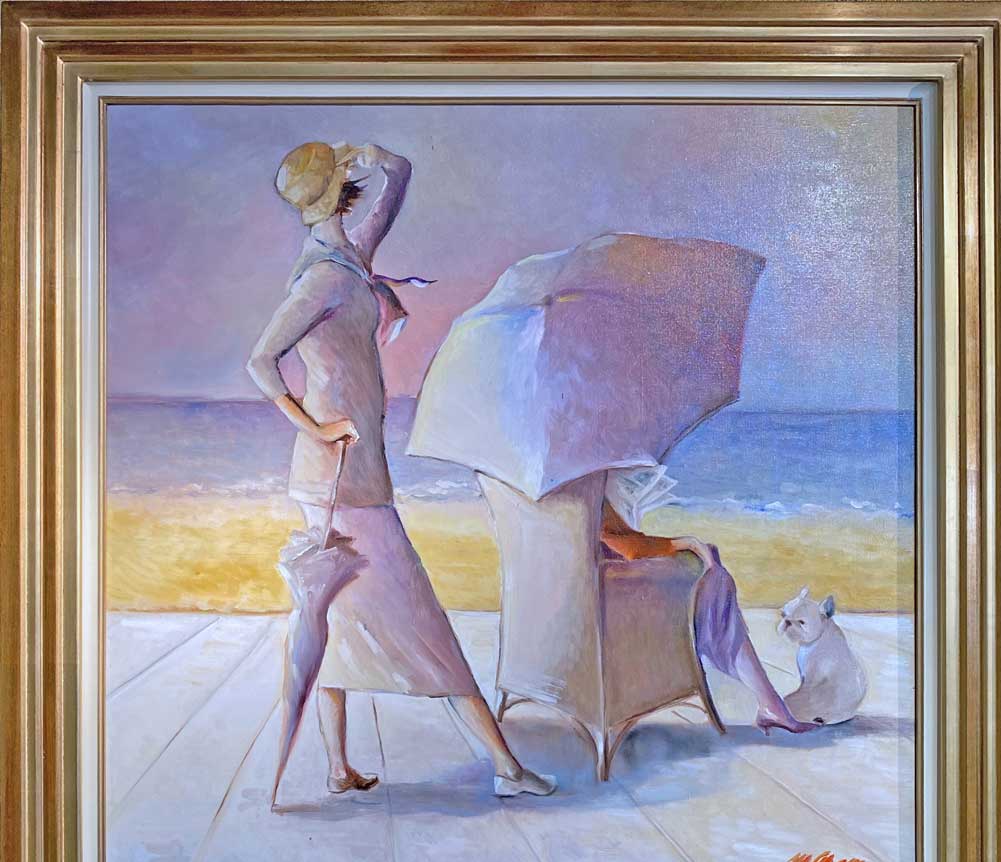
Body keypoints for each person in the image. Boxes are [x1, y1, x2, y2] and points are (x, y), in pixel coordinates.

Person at [247, 140, 556, 798]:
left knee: (334, 616)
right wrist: (316, 426)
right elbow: (260, 361)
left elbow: (401, 175)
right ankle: (506, 768)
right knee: (422, 620)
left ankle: (338, 767)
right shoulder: (323, 278)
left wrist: (375, 154)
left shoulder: (347, 260)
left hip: (350, 474)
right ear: (340, 189)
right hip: (342, 479)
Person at [599, 502, 818, 735]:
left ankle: (770, 703)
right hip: (620, 606)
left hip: (607, 607)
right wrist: (682, 543)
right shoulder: (586, 492)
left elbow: (619, 541)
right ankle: (770, 703)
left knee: (711, 574)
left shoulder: (578, 496)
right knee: (712, 572)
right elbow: (627, 547)